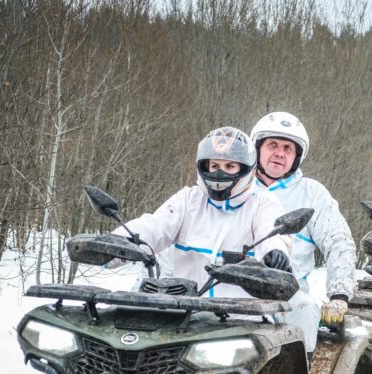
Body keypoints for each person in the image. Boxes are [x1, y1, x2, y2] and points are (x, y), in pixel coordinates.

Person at [109, 126, 308, 319]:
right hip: (185, 315)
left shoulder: (261, 202)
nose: (220, 173)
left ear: (246, 168)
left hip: (242, 318)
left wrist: (275, 253)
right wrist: (117, 243)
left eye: (229, 166)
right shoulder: (189, 200)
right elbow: (154, 226)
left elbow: (270, 230)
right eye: (215, 166)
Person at [250, 112, 356, 343]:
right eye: (273, 145)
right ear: (257, 148)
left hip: (289, 295)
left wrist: (339, 295)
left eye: (288, 148)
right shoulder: (237, 186)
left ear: (297, 156)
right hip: (234, 290)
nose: (280, 153)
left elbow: (339, 242)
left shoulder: (312, 194)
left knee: (306, 309)